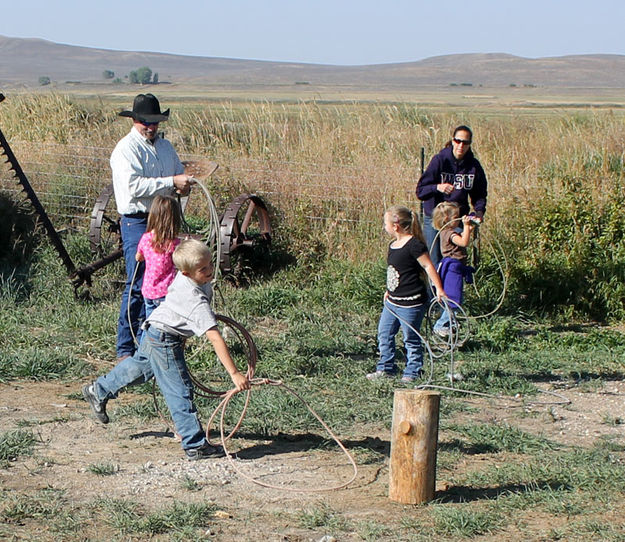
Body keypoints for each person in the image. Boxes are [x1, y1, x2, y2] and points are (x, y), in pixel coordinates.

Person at [82, 239, 251, 460]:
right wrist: (235, 373)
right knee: (179, 388)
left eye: (210, 264)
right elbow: (215, 338)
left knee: (139, 369)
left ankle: (99, 389)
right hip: (164, 338)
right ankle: (194, 443)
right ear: (187, 273)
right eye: (203, 269)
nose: (210, 271)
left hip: (155, 329)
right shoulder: (195, 301)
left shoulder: (189, 276)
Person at [111, 93, 194, 361]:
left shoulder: (166, 148)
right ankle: (126, 347)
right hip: (137, 220)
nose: (150, 127)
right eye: (145, 122)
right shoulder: (126, 150)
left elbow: (178, 176)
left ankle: (159, 341)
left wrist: (182, 183)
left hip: (163, 220)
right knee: (137, 280)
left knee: (169, 279)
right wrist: (172, 181)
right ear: (134, 120)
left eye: (154, 122)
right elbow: (134, 187)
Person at [367, 205, 446, 383]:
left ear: (395, 226)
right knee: (384, 334)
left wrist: (439, 289)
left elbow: (427, 266)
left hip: (411, 303)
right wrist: (388, 291)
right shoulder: (393, 245)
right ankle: (386, 367)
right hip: (392, 301)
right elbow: (394, 271)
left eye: (385, 223)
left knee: (411, 338)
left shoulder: (414, 245)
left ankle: (413, 371)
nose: (383, 227)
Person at [416, 125, 487, 268]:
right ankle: (434, 291)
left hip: (457, 219)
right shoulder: (440, 160)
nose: (461, 145)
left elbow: (480, 194)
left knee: (455, 261)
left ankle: (452, 290)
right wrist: (437, 187)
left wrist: (478, 213)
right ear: (453, 141)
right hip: (434, 219)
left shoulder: (473, 166)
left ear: (469, 144)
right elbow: (421, 191)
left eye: (465, 142)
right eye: (458, 141)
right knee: (433, 262)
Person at [431, 202, 475, 336]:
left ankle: (450, 324)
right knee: (453, 298)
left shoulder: (447, 232)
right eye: (456, 216)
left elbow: (463, 238)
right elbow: (463, 242)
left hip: (453, 267)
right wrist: (466, 227)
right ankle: (441, 325)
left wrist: (469, 228)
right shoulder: (449, 233)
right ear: (446, 219)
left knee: (454, 297)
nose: (459, 218)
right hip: (452, 268)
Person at [136, 195, 182, 319]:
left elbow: (138, 257)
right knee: (165, 324)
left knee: (150, 323)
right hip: (166, 293)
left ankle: (145, 338)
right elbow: (181, 262)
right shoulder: (174, 243)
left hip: (148, 291)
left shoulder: (146, 238)